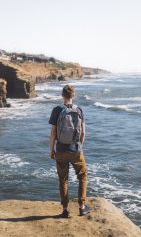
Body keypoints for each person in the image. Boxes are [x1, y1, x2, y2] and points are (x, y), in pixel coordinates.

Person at [49, 84, 90, 218]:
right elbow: (83, 133)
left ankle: (65, 210)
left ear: (62, 95)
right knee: (82, 176)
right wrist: (79, 147)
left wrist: (51, 150)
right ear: (73, 96)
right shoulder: (79, 110)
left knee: (63, 180)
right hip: (76, 150)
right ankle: (82, 207)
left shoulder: (56, 110)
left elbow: (53, 133)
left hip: (60, 150)